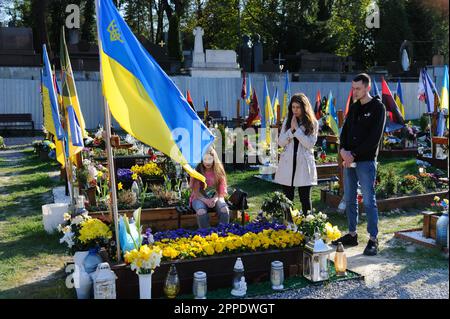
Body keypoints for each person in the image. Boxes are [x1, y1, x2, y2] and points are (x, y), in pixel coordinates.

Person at [332, 73, 386, 256]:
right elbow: (345, 132)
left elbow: (374, 139)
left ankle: (373, 240)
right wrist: (342, 151)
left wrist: (353, 154)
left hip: (365, 162)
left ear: (367, 88)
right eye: (353, 88)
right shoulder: (354, 108)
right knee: (349, 198)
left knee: (369, 201)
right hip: (349, 161)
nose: (354, 92)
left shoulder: (378, 108)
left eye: (358, 89)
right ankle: (352, 234)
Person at [274, 93, 318, 214]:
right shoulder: (288, 121)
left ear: (304, 107)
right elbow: (281, 142)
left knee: (305, 198)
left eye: (298, 107)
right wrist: (291, 130)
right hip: (288, 164)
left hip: (303, 165)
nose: (295, 110)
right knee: (287, 199)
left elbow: (309, 144)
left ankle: (308, 225)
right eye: (293, 107)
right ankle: (288, 224)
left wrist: (297, 130)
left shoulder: (312, 123)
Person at [190, 147, 229, 229]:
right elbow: (196, 192)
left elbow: (221, 191)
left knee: (224, 209)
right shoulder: (197, 171)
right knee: (201, 211)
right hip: (199, 198)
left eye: (210, 159)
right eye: (205, 159)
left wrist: (214, 199)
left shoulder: (219, 172)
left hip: (217, 196)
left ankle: (223, 231)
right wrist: (206, 200)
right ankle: (206, 233)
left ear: (214, 159)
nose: (207, 162)